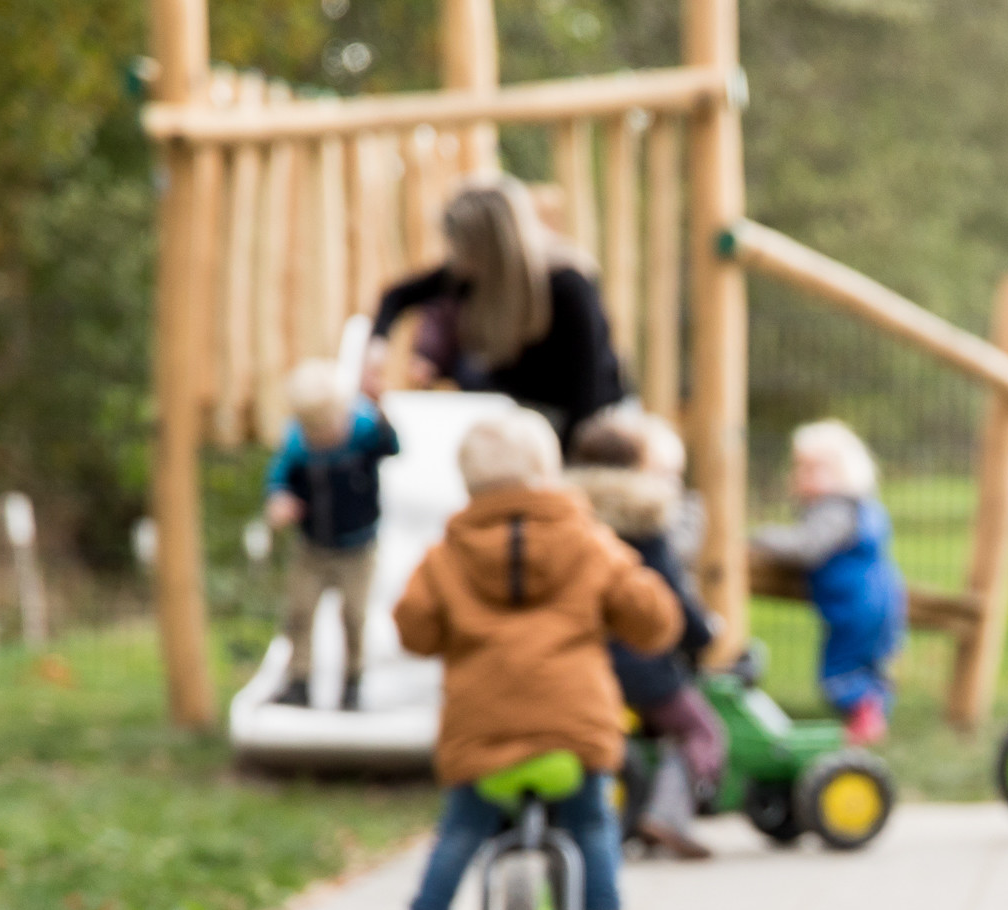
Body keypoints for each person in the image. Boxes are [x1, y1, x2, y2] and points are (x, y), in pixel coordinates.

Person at [381, 410, 681, 910]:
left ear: (468, 482)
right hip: (573, 725)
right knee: (592, 823)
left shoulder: (448, 553)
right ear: (548, 471)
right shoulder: (588, 541)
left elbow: (414, 630)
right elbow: (652, 621)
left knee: (461, 831)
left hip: (482, 728)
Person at [571, 408, 724, 860]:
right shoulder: (644, 521)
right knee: (701, 731)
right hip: (643, 669)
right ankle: (668, 813)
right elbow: (669, 601)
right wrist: (703, 637)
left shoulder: (568, 518)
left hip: (584, 665)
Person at [366, 176, 625, 443]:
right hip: (523, 415)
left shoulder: (568, 287)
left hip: (584, 422)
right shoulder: (473, 275)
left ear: (487, 246)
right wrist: (376, 350)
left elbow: (587, 391)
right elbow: (397, 296)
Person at [749, 420, 906, 746]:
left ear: (845, 471)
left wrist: (764, 537)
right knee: (867, 664)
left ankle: (865, 721)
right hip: (880, 598)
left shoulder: (835, 509)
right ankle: (871, 717)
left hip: (856, 604)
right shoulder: (860, 506)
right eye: (800, 467)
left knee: (840, 670)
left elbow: (807, 547)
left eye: (815, 468)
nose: (803, 475)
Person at [263, 358, 399, 711]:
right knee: (299, 612)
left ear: (343, 413)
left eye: (329, 428)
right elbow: (278, 476)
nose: (324, 438)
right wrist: (279, 499)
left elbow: (393, 446)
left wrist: (380, 408)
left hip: (358, 548)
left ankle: (353, 682)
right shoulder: (297, 444)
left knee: (354, 616)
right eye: (315, 432)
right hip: (312, 547)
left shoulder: (364, 430)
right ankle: (299, 681)